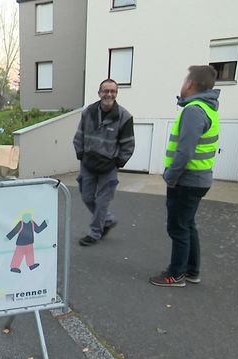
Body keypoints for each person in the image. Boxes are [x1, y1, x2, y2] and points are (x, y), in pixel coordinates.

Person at [150, 65, 220, 287]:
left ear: (190, 84)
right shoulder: (208, 109)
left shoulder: (194, 110)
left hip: (186, 181)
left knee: (178, 228)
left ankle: (176, 275)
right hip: (198, 180)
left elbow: (185, 150)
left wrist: (170, 175)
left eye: (184, 80)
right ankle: (191, 271)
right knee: (188, 225)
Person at [73, 78, 135, 246]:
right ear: (99, 93)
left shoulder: (124, 116)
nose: (109, 94)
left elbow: (128, 144)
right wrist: (81, 154)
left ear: (116, 93)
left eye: (112, 91)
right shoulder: (88, 112)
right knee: (86, 197)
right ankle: (107, 219)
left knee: (102, 202)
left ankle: (94, 233)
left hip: (108, 167)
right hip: (88, 164)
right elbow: (79, 135)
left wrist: (117, 162)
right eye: (106, 91)